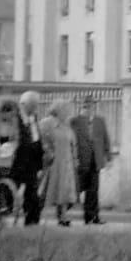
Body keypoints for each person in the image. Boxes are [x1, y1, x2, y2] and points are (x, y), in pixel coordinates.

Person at [70, 95, 111, 225]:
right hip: (81, 160)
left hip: (95, 159)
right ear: (81, 106)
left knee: (93, 189)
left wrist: (108, 155)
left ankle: (92, 217)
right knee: (78, 188)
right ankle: (63, 211)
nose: (89, 107)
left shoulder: (100, 120)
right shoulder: (75, 121)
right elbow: (71, 139)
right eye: (86, 105)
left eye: (91, 105)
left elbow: (105, 138)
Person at [39, 100, 78, 227]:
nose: (68, 113)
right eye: (66, 110)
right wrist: (48, 152)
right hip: (53, 161)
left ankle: (62, 216)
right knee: (46, 190)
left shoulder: (66, 125)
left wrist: (75, 158)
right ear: (58, 110)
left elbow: (72, 143)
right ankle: (35, 214)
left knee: (65, 191)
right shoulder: (46, 123)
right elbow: (42, 140)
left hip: (66, 162)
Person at [12, 91, 44, 226]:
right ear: (23, 104)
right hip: (16, 161)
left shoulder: (34, 118)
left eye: (36, 105)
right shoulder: (14, 118)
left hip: (31, 161)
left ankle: (32, 221)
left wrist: (40, 163)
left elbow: (37, 140)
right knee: (11, 190)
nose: (35, 107)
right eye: (33, 105)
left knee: (32, 192)